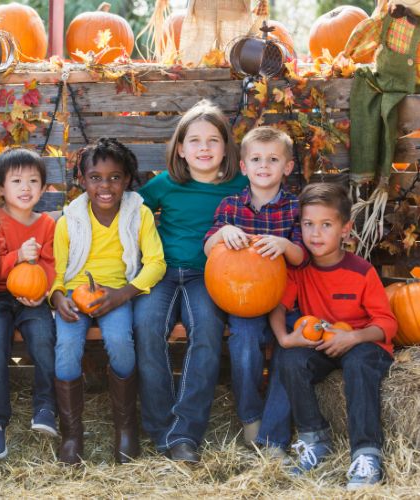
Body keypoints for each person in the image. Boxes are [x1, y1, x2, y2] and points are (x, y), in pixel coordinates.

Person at [134, 99, 248, 462]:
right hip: (163, 271)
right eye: (194, 141)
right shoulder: (165, 184)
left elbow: (264, 213)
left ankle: (185, 433)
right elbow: (129, 212)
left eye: (213, 140)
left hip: (210, 275)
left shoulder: (239, 185)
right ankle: (160, 426)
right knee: (148, 328)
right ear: (180, 149)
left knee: (207, 335)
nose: (203, 148)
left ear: (226, 148)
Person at [271, 183, 396, 490]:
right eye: (308, 224)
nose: (315, 233)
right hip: (325, 343)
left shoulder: (361, 271)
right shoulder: (299, 271)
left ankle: (366, 454)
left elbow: (387, 324)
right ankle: (315, 439)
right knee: (290, 360)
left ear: (345, 229)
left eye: (326, 225)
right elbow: (278, 305)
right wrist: (286, 339)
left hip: (364, 344)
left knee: (359, 364)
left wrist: (354, 337)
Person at [50, 138, 166, 465]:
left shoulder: (138, 214)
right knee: (67, 348)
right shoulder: (68, 220)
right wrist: (57, 296)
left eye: (114, 177)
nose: (105, 185)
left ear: (127, 180)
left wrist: (124, 294)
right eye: (95, 177)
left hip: (117, 293)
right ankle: (72, 434)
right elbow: (56, 270)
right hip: (75, 295)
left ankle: (125, 428)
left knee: (119, 340)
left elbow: (156, 262)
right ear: (82, 180)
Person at [203, 126, 304, 454]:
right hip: (243, 297)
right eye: (257, 159)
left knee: (289, 353)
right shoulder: (231, 206)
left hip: (285, 299)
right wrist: (224, 234)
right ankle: (250, 416)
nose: (264, 165)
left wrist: (284, 244)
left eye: (273, 159)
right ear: (244, 166)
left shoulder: (294, 208)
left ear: (286, 168)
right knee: (244, 342)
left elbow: (301, 256)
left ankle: (274, 431)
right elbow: (208, 248)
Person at [0, 148, 57, 461]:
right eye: (17, 181)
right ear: (0, 188)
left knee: (44, 337)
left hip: (32, 297)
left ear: (43, 187)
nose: (26, 188)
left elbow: (50, 264)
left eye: (33, 181)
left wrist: (42, 290)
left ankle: (46, 406)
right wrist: (16, 257)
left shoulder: (47, 224)